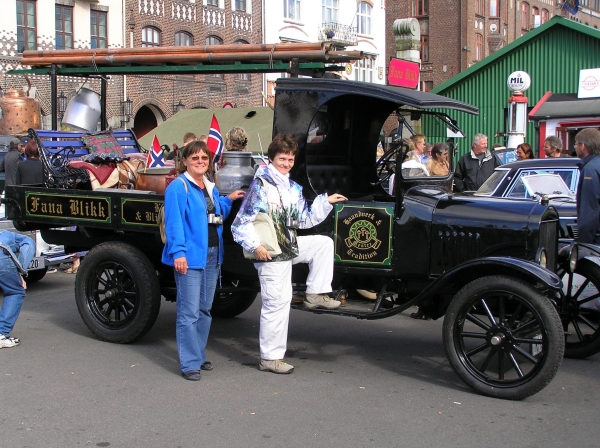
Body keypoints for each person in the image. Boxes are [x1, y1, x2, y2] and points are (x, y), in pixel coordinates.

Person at [231, 133, 347, 374]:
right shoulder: (261, 185)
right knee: (277, 303)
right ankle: (270, 358)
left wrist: (326, 202)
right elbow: (241, 223)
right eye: (282, 158)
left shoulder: (292, 187)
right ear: (272, 159)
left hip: (288, 246)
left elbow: (303, 219)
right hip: (271, 253)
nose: (286, 164)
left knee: (323, 244)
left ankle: (316, 294)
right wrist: (256, 246)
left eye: (290, 159)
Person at [161, 141, 245, 381]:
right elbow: (174, 221)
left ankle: (197, 354)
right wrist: (178, 253)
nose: (200, 161)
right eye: (195, 157)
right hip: (191, 255)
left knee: (205, 309)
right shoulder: (179, 187)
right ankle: (189, 363)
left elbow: (217, 215)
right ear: (185, 161)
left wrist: (228, 199)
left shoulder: (209, 186)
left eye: (204, 158)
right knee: (188, 312)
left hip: (211, 254)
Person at [0, 230, 35, 348]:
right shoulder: (9, 235)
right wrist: (21, 271)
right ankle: (1, 334)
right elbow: (29, 244)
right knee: (14, 292)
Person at [574, 128, 600, 244]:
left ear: (583, 146)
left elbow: (589, 210)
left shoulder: (590, 169)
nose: (575, 148)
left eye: (576, 144)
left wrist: (584, 244)